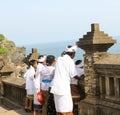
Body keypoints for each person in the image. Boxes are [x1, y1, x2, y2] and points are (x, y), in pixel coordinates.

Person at [50, 45, 78, 115]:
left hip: (55, 87)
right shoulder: (70, 61)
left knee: (59, 110)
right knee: (67, 110)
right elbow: (74, 75)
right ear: (73, 53)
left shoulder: (59, 59)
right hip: (63, 88)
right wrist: (80, 78)